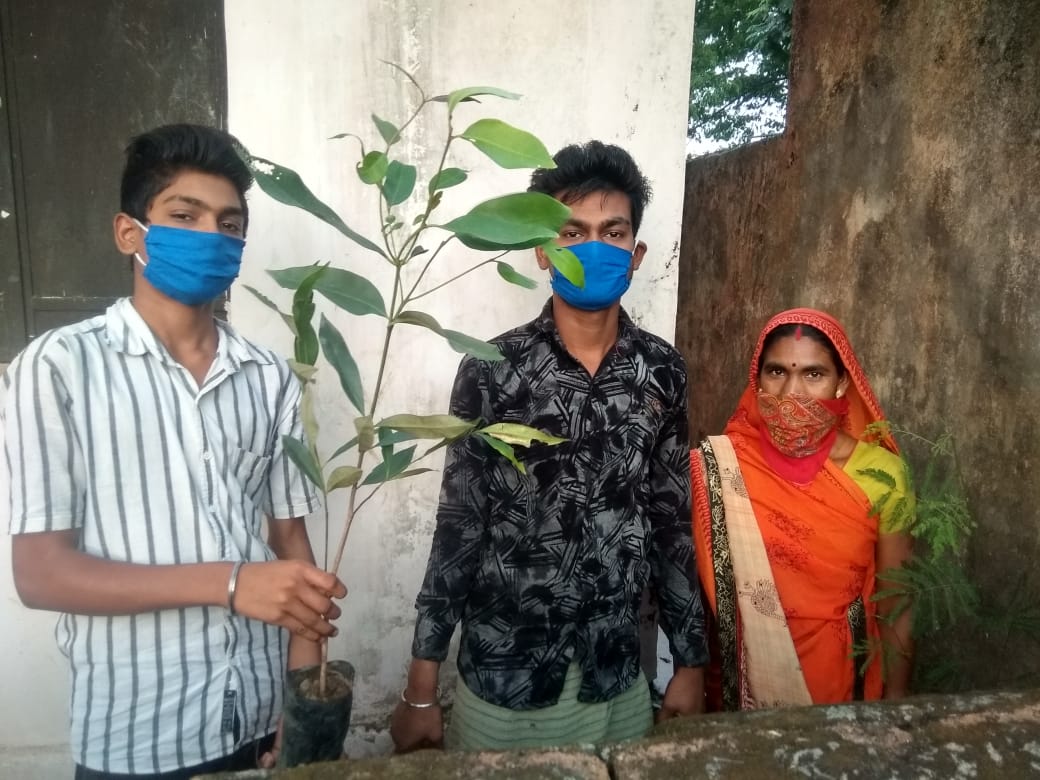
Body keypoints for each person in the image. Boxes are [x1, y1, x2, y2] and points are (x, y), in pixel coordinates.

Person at [2, 124, 347, 779]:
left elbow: (290, 545)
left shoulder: (269, 376)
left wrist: (300, 703)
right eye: (184, 216)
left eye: (229, 223)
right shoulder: (58, 367)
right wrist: (230, 583)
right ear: (131, 234)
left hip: (258, 725)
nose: (210, 237)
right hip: (135, 740)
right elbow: (40, 573)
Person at [391, 141, 709, 752]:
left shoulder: (662, 371)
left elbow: (672, 523)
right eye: (572, 231)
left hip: (616, 675)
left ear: (635, 253)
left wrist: (689, 662)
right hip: (504, 677)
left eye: (612, 231)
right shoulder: (492, 369)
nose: (593, 246)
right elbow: (458, 528)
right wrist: (421, 685)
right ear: (542, 250)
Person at [690, 308, 915, 710]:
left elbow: (896, 601)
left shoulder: (882, 474)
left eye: (813, 374)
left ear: (842, 383)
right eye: (777, 372)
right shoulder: (724, 467)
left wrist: (896, 704)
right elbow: (692, 591)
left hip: (841, 682)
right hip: (742, 681)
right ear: (756, 381)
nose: (792, 392)